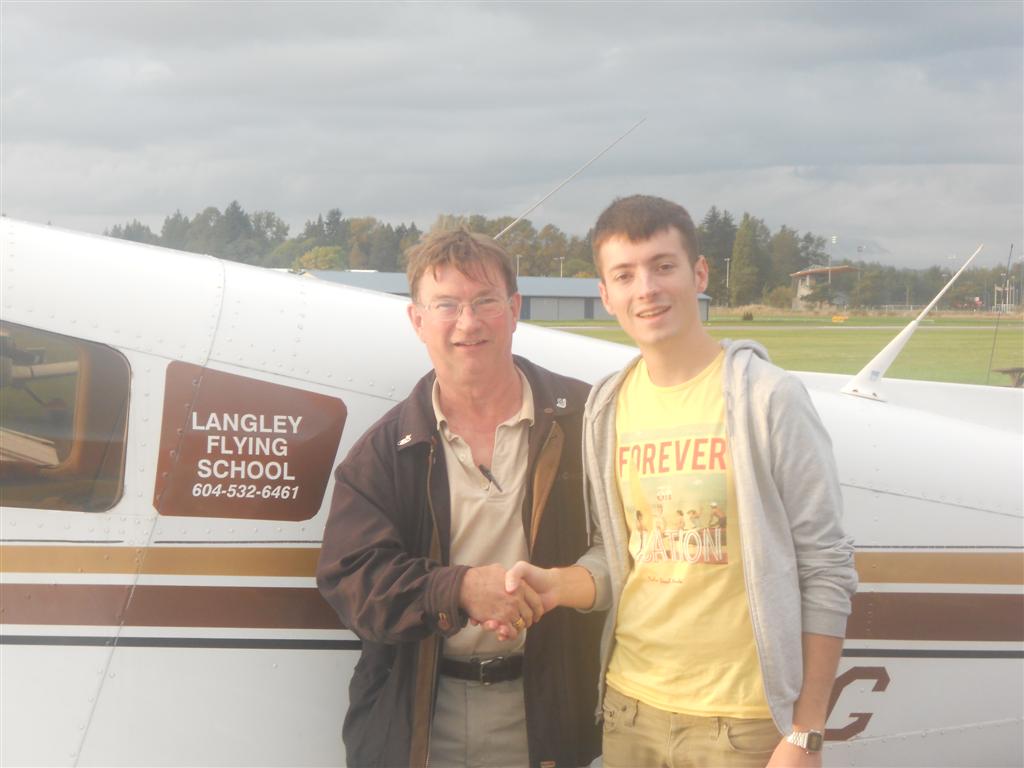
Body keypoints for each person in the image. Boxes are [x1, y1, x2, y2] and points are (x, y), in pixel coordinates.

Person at [502, 195, 858, 768]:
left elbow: (827, 568)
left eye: (663, 266)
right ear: (607, 295)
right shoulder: (606, 410)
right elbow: (623, 555)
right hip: (630, 711)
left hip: (741, 725)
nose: (646, 289)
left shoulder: (769, 399)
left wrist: (806, 732)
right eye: (625, 275)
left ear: (698, 275)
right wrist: (560, 585)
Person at [316, 229, 602, 768]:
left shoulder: (584, 420)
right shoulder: (384, 451)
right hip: (424, 725)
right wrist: (461, 590)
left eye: (485, 302)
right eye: (446, 305)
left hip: (547, 720)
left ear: (514, 309)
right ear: (416, 320)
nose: (468, 323)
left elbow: (630, 544)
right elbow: (351, 581)